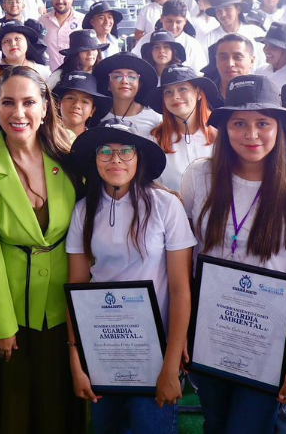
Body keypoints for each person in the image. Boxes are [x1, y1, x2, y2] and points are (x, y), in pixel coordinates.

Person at [180, 74, 286, 433]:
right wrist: (181, 331)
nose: (251, 134)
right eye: (239, 123)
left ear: (279, 128)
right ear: (224, 128)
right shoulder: (199, 176)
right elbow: (183, 260)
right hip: (210, 330)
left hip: (268, 340)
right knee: (215, 422)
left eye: (263, 123)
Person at [0, 66, 84, 434]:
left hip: (66, 309)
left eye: (29, 102)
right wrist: (1, 325)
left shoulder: (71, 155)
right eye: (8, 102)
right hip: (13, 313)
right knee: (15, 411)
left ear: (45, 108)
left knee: (61, 408)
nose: (19, 112)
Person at [66, 120, 195, 433]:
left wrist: (171, 364)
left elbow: (180, 289)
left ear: (139, 158)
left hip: (155, 351)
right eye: (105, 152)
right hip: (102, 348)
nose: (115, 160)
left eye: (126, 151)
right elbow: (76, 287)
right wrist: (76, 359)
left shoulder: (166, 206)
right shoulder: (83, 210)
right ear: (94, 159)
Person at [148, 64, 218, 191]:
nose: (175, 96)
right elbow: (150, 184)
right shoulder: (155, 140)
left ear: (198, 93)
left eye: (182, 89)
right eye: (168, 92)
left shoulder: (220, 134)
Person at [94, 52, 162, 136]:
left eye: (131, 77)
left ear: (139, 85)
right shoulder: (96, 116)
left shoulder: (155, 119)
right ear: (108, 85)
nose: (124, 81)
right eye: (117, 77)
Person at [40, 0, 81, 68]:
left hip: (76, 73)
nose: (60, 1)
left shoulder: (82, 20)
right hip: (50, 74)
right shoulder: (42, 21)